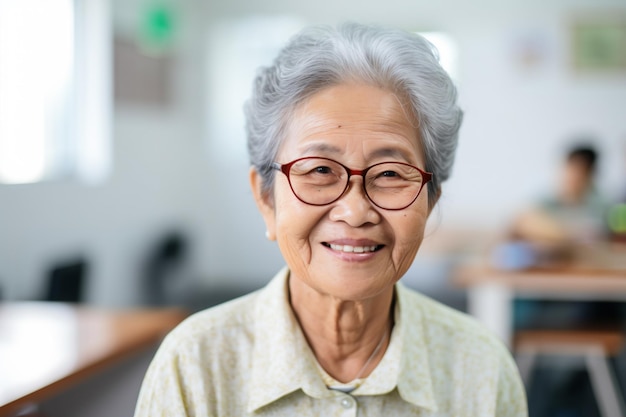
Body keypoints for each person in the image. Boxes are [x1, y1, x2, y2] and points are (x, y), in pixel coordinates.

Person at [134, 22, 527, 416]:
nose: (355, 212)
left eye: (390, 173)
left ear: (430, 200)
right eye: (320, 170)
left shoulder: (481, 369)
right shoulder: (193, 366)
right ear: (266, 198)